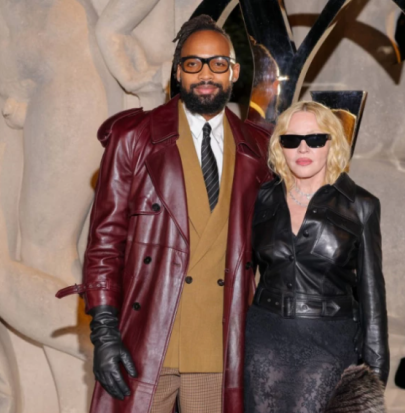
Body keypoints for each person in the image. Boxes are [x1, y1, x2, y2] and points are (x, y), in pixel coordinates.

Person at [56, 15, 271, 413]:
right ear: (178, 72)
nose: (205, 74)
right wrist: (105, 332)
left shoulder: (259, 149)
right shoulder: (133, 138)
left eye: (217, 63)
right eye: (193, 63)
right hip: (146, 339)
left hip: (218, 347)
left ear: (234, 71)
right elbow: (104, 243)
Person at [244, 101, 389, 412]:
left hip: (329, 345)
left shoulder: (361, 205)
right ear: (280, 146)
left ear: (331, 143)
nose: (303, 148)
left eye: (315, 138)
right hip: (263, 341)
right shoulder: (260, 199)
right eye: (291, 140)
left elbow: (373, 296)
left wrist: (375, 375)